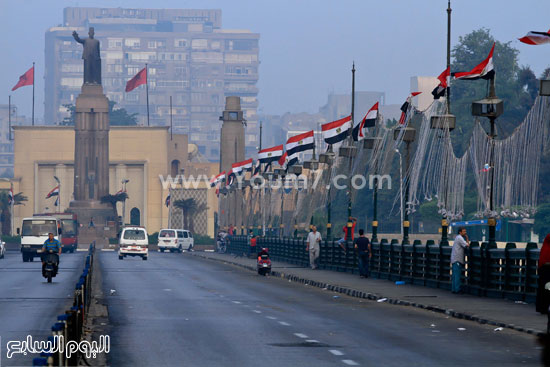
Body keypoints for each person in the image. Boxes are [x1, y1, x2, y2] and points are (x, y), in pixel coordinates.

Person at [451, 227, 469, 294]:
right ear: (460, 232)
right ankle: (457, 289)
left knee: (454, 275)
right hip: (457, 259)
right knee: (457, 275)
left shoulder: (457, 237)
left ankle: (454, 289)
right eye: (464, 231)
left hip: (454, 258)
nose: (465, 233)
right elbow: (467, 245)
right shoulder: (460, 238)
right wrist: (467, 238)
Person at [536, 234, 550, 314]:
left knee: (542, 289)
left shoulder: (545, 247)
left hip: (543, 269)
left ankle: (542, 307)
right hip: (547, 270)